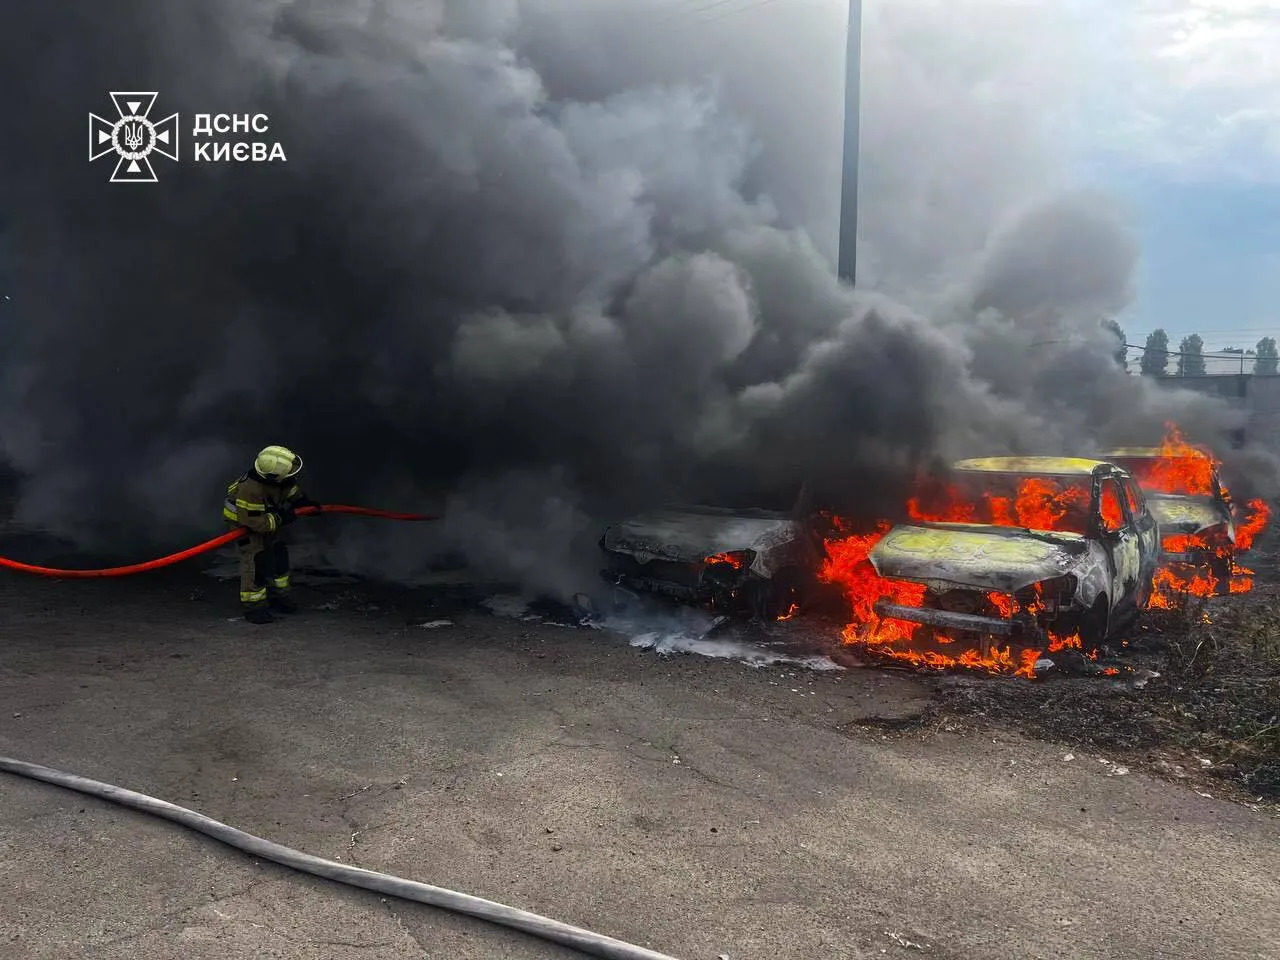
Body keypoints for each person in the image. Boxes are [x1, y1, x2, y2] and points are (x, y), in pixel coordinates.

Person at [222, 445, 321, 624]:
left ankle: (277, 597)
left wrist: (302, 502)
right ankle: (254, 607)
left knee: (277, 554)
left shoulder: (279, 479)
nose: (292, 475)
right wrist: (282, 518)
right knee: (256, 560)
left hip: (265, 519)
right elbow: (254, 522)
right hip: (244, 525)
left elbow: (290, 489)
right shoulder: (251, 490)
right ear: (273, 478)